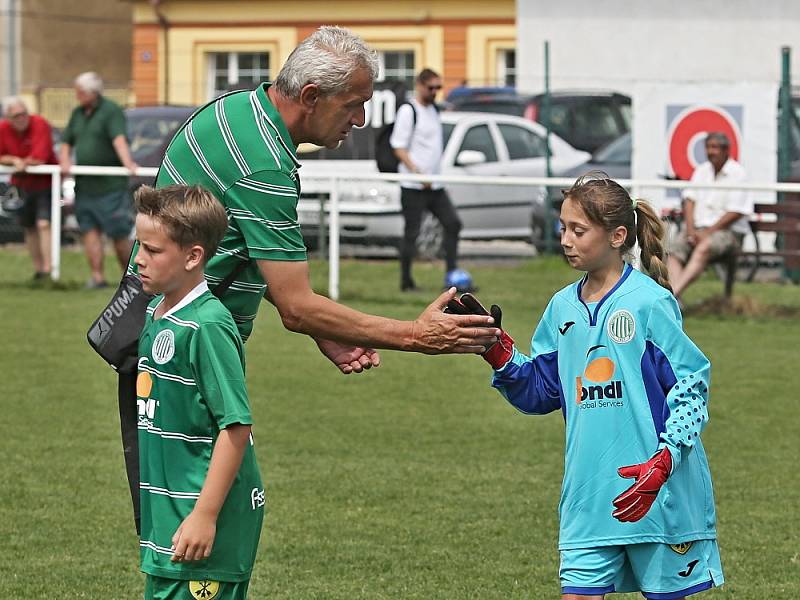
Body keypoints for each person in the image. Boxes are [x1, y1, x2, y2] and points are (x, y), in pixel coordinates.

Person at [118, 26, 499, 534]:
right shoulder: (264, 161)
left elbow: (242, 255)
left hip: (168, 344)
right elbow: (295, 304)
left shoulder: (238, 112)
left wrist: (326, 327)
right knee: (199, 534)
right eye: (353, 105)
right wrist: (417, 335)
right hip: (185, 358)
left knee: (190, 532)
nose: (360, 119)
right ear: (312, 97)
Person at [451, 174, 724, 599]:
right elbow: (542, 390)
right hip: (588, 498)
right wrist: (496, 350)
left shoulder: (650, 302)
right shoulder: (561, 306)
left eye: (578, 230)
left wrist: (664, 462)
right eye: (563, 227)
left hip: (655, 496)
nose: (565, 239)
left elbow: (690, 386)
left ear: (617, 235)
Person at [133, 184, 263, 599]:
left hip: (204, 520)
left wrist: (204, 515)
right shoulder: (158, 311)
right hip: (169, 516)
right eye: (139, 246)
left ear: (193, 256)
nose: (139, 259)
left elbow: (236, 427)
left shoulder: (207, 326)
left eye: (153, 250)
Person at [60, 71, 139, 288]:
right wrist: (65, 161)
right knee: (89, 230)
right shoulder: (77, 113)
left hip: (110, 187)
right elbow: (67, 141)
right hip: (85, 186)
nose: (78, 96)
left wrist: (128, 163)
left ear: (93, 93)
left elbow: (119, 139)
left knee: (119, 234)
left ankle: (132, 280)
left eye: (81, 92)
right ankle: (97, 277)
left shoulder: (111, 111)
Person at [390, 68, 463, 292]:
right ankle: (406, 282)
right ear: (420, 86)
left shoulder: (433, 110)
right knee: (412, 233)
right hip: (413, 186)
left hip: (435, 185)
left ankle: (452, 278)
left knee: (453, 224)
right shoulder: (408, 110)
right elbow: (398, 146)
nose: (435, 92)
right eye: (431, 88)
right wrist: (417, 173)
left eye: (438, 88)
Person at [667, 132, 752, 299]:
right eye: (708, 147)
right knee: (674, 251)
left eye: (714, 147)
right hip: (697, 229)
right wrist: (691, 230)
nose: (710, 151)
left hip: (728, 233)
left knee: (703, 248)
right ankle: (675, 298)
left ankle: (672, 296)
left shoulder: (739, 174)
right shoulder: (702, 171)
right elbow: (689, 200)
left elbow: (736, 212)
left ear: (726, 150)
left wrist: (707, 232)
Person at [0, 96, 58, 279]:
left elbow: (40, 156)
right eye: (16, 116)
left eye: (24, 113)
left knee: (43, 224)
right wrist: (14, 161)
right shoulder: (3, 129)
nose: (21, 118)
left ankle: (50, 270)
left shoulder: (40, 124)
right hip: (22, 185)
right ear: (8, 117)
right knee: (28, 226)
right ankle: (39, 270)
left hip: (45, 183)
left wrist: (22, 163)